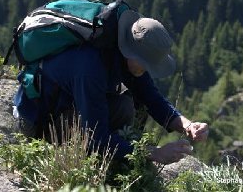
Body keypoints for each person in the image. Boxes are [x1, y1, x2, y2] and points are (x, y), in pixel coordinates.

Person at [14, 9, 209, 164]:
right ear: (131, 53)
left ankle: (117, 155)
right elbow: (96, 138)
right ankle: (86, 159)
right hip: (39, 122)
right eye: (146, 64)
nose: (148, 70)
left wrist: (187, 125)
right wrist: (153, 153)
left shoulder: (123, 53)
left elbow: (151, 98)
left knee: (128, 105)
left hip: (67, 103)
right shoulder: (90, 68)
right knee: (124, 109)